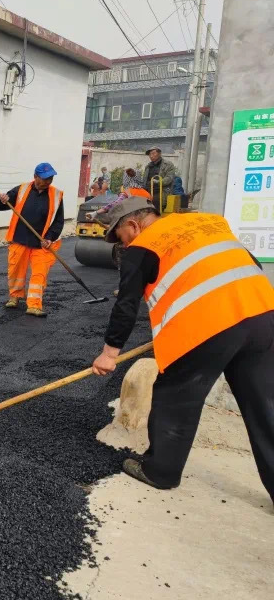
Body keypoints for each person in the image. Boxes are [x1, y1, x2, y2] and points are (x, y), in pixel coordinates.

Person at [91, 196, 274, 504]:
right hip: (262, 314)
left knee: (176, 394)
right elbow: (250, 265)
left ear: (133, 225)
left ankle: (160, 471)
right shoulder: (207, 222)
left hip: (207, 325)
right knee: (265, 403)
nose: (121, 244)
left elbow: (126, 304)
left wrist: (109, 354)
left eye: (120, 236)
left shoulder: (143, 245)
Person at [0, 162, 65, 317]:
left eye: (50, 178)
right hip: (20, 238)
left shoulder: (57, 195)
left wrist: (49, 237)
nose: (47, 181)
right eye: (44, 178)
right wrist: (1, 199)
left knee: (39, 274)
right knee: (16, 271)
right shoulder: (21, 190)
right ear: (35, 177)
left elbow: (58, 221)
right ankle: (15, 296)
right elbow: (0, 205)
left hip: (42, 244)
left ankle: (34, 305)